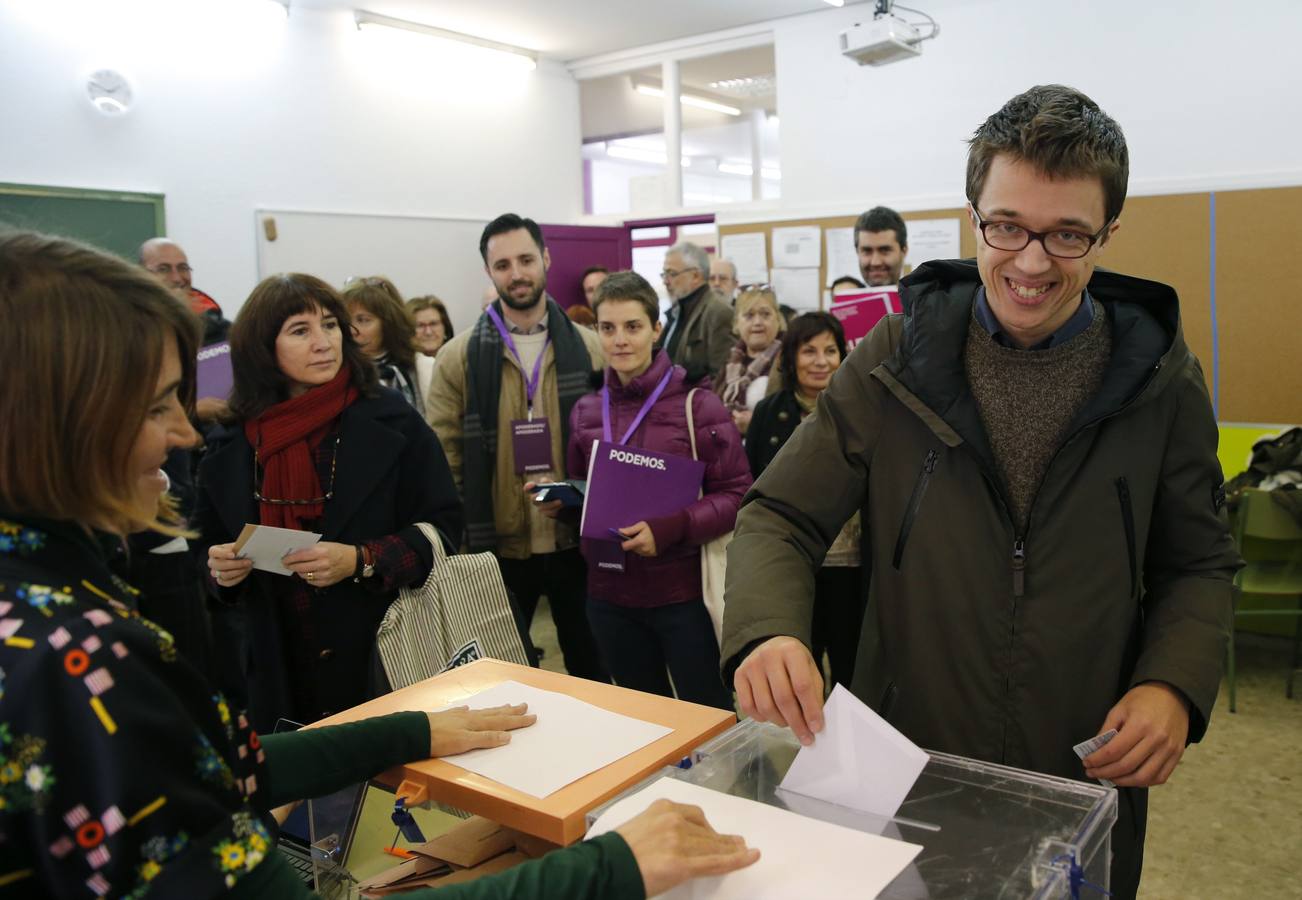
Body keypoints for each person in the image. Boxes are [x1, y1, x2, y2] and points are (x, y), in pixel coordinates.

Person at [0, 229, 760, 899]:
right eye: (157, 404)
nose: (181, 435)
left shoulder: (51, 611)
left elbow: (229, 763)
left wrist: (410, 728)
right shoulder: (84, 658)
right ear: (66, 419)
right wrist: (611, 867)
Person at [721, 84, 1240, 900]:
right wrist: (767, 631)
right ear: (974, 216)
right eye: (1008, 226)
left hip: (1080, 768)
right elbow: (779, 515)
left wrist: (1172, 683)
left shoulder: (1162, 381)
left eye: (1067, 234)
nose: (1031, 263)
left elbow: (1200, 563)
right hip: (904, 763)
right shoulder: (897, 356)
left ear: (1107, 233)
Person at [198, 273, 463, 731]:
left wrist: (362, 559)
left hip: (385, 654)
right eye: (300, 331)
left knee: (387, 792)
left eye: (330, 325)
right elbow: (205, 554)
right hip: (279, 667)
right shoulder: (230, 442)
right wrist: (221, 571)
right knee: (301, 794)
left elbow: (446, 528)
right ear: (264, 346)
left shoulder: (393, 420)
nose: (324, 342)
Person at [544, 272, 750, 710]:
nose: (620, 340)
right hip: (608, 595)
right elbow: (588, 490)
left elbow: (737, 494)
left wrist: (672, 527)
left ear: (656, 330)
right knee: (643, 723)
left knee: (708, 717)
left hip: (683, 597)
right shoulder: (585, 410)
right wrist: (563, 502)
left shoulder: (698, 405)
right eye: (608, 328)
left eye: (633, 326)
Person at [426, 214, 610, 683]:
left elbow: (613, 447)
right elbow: (444, 461)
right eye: (503, 264)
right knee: (503, 677)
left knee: (592, 666)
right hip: (497, 546)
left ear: (546, 259)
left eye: (526, 259)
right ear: (490, 272)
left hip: (576, 538)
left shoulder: (593, 349)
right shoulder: (457, 357)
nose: (517, 273)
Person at [744, 312, 863, 690]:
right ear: (791, 357)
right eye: (809, 350)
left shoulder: (863, 410)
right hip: (795, 568)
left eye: (831, 350)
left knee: (853, 675)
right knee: (799, 678)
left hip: (854, 570)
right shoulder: (768, 412)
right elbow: (753, 488)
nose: (821, 360)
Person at [140, 237, 232, 423]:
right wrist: (190, 412)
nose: (177, 278)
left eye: (183, 268)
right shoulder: (128, 335)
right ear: (141, 274)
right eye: (163, 269)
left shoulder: (221, 329)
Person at [712, 286, 784, 436]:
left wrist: (757, 422)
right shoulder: (730, 361)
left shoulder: (788, 359)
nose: (758, 322)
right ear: (737, 323)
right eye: (749, 316)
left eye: (765, 314)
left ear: (778, 320)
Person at [343, 275, 422, 410]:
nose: (352, 330)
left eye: (363, 320)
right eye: (346, 320)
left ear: (388, 324)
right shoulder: (337, 373)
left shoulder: (420, 366)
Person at [657, 242, 734, 381]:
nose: (665, 281)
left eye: (672, 274)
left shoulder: (719, 313)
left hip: (694, 401)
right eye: (664, 274)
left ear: (696, 276)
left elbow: (720, 377)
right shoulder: (676, 311)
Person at [407, 293, 454, 405]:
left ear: (445, 328)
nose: (428, 332)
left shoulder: (460, 363)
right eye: (420, 325)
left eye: (433, 324)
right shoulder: (402, 374)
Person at [853, 206, 908, 287]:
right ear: (857, 251)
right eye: (867, 251)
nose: (875, 262)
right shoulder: (843, 298)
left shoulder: (923, 298)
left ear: (904, 251)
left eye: (885, 250)